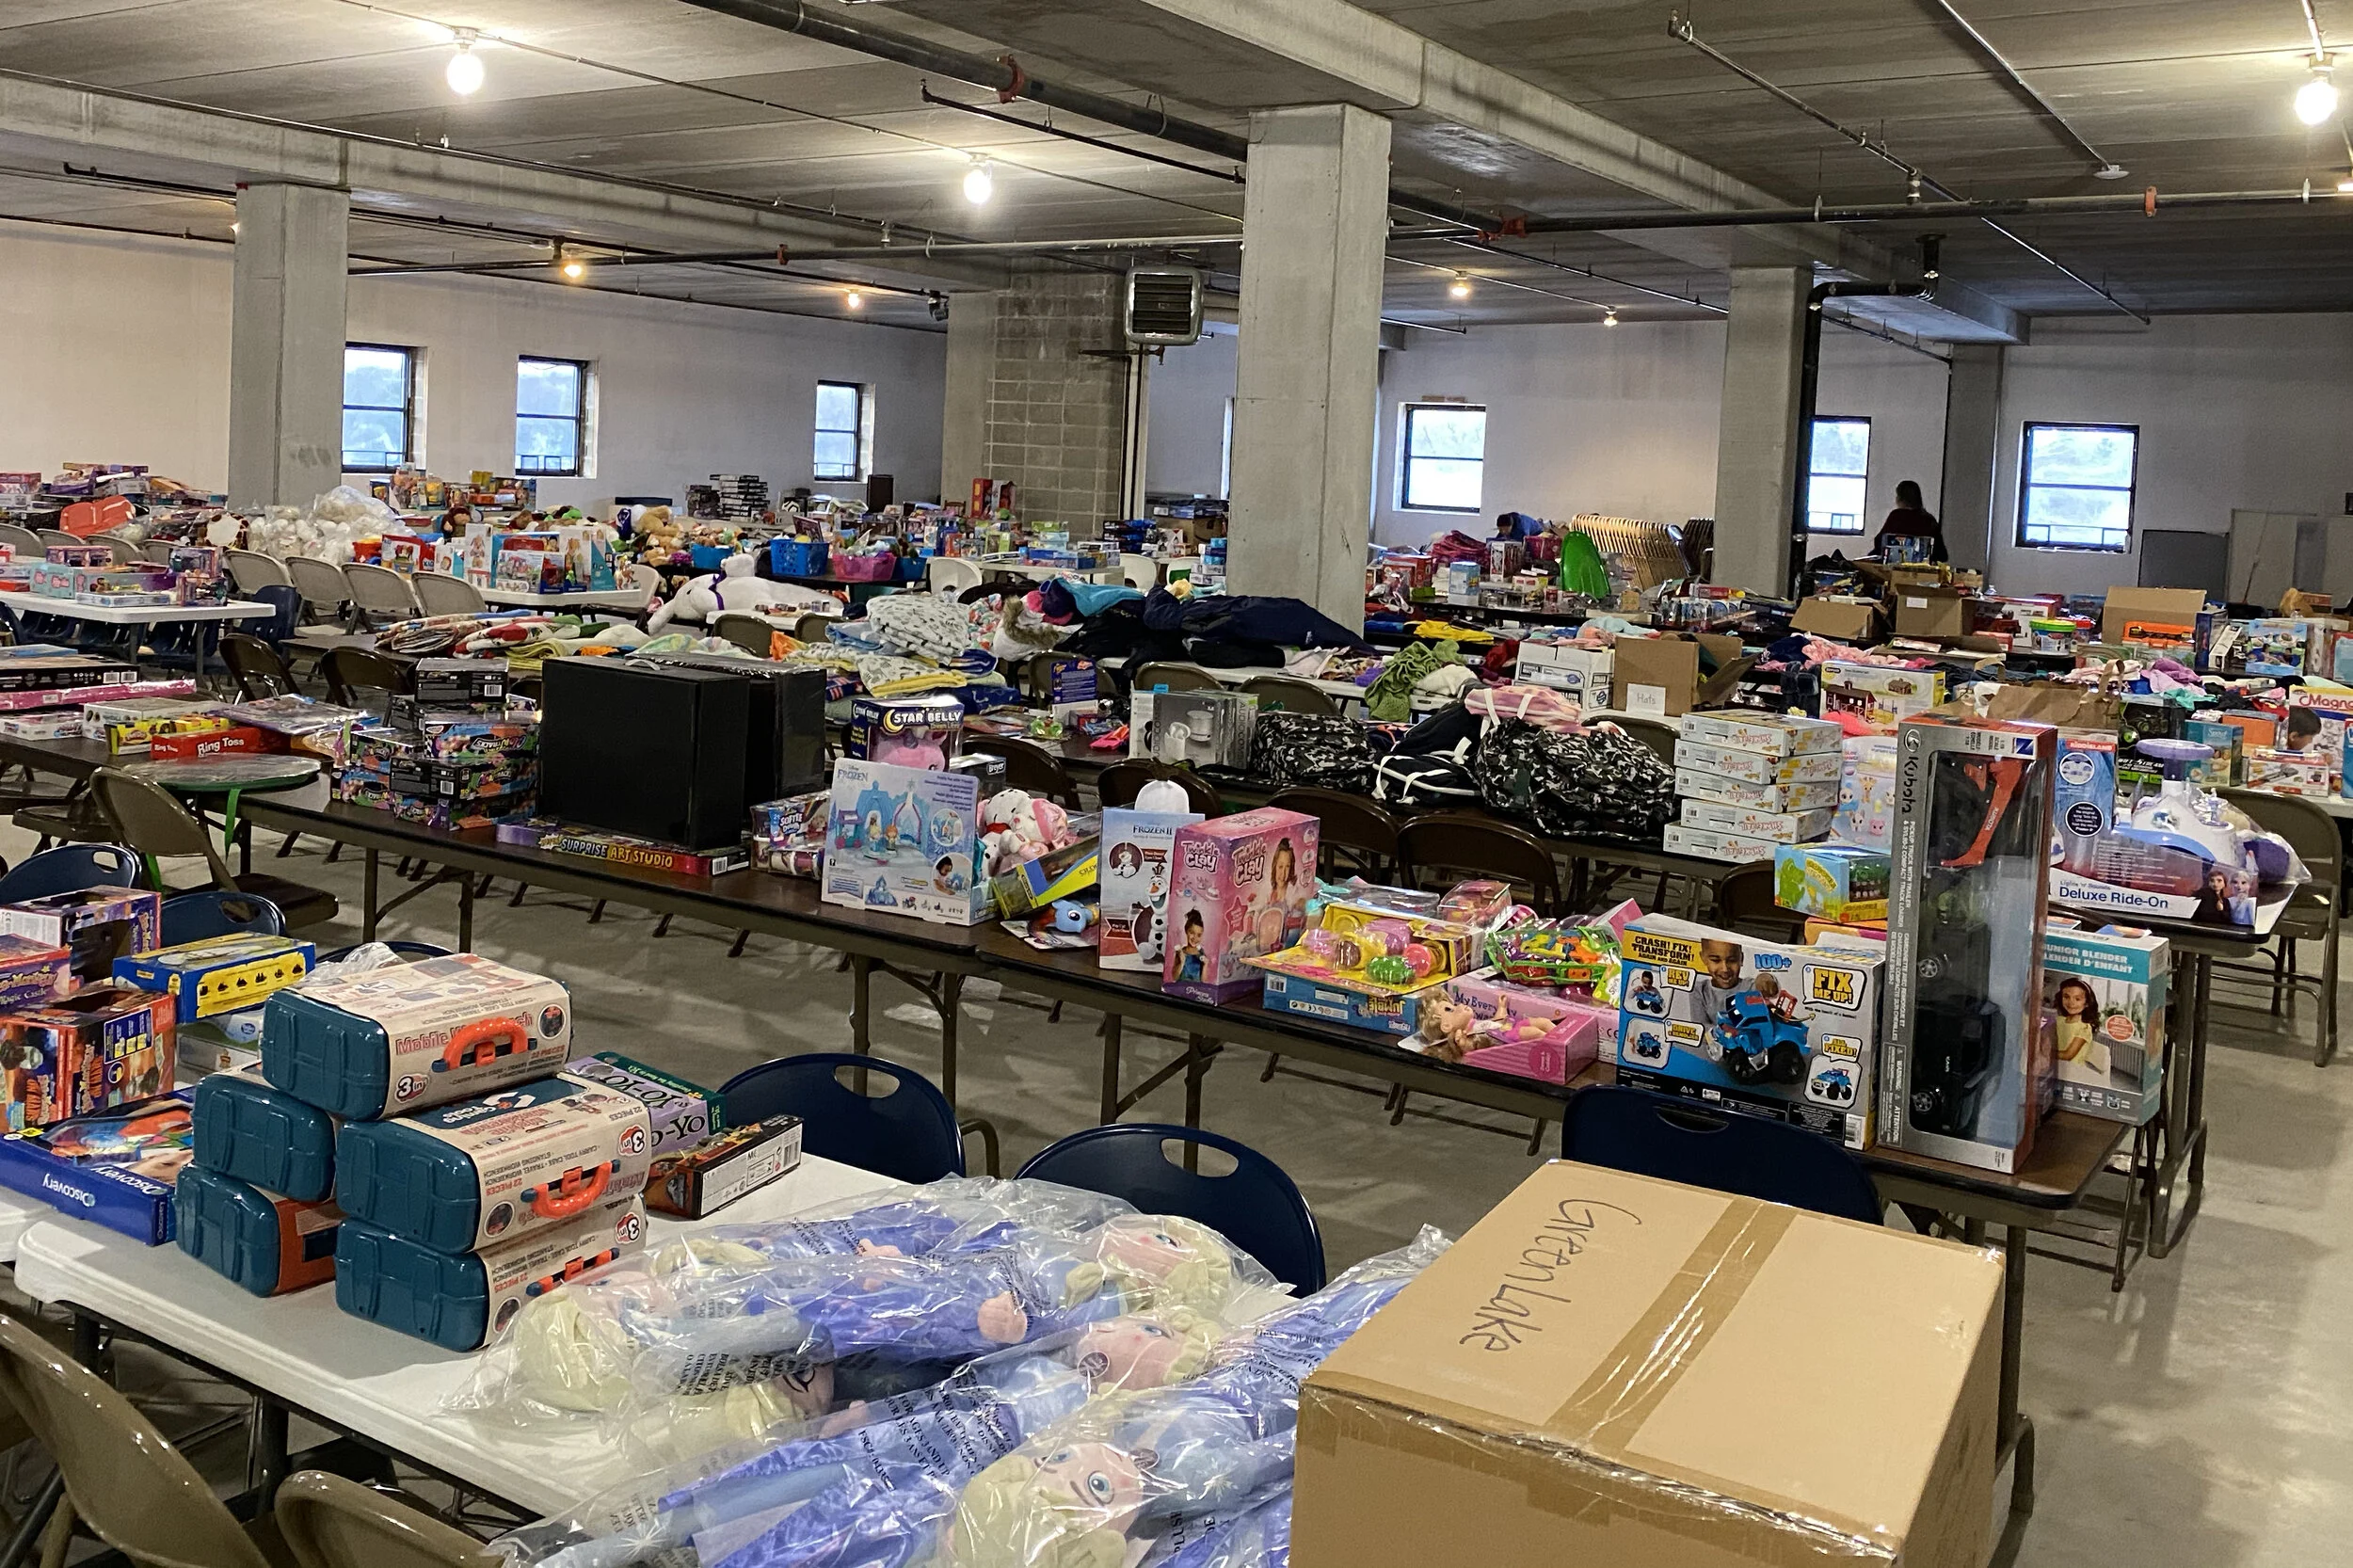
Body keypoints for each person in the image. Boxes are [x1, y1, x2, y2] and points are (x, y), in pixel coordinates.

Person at [1872, 481, 1947, 563]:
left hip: (1894, 568)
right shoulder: (1929, 519)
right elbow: (1942, 555)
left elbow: (1880, 543)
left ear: (1900, 498)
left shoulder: (1896, 516)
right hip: (1923, 569)